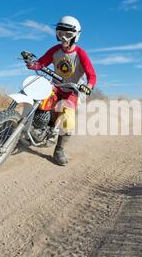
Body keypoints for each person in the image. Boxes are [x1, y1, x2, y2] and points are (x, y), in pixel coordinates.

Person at [26, 15, 97, 166]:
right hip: (56, 86)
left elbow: (92, 74)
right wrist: (32, 63)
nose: (63, 38)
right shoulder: (55, 50)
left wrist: (88, 87)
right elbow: (42, 63)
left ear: (76, 35)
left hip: (73, 91)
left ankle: (59, 150)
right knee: (40, 102)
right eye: (60, 33)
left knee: (68, 121)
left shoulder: (81, 54)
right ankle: (35, 129)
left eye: (68, 34)